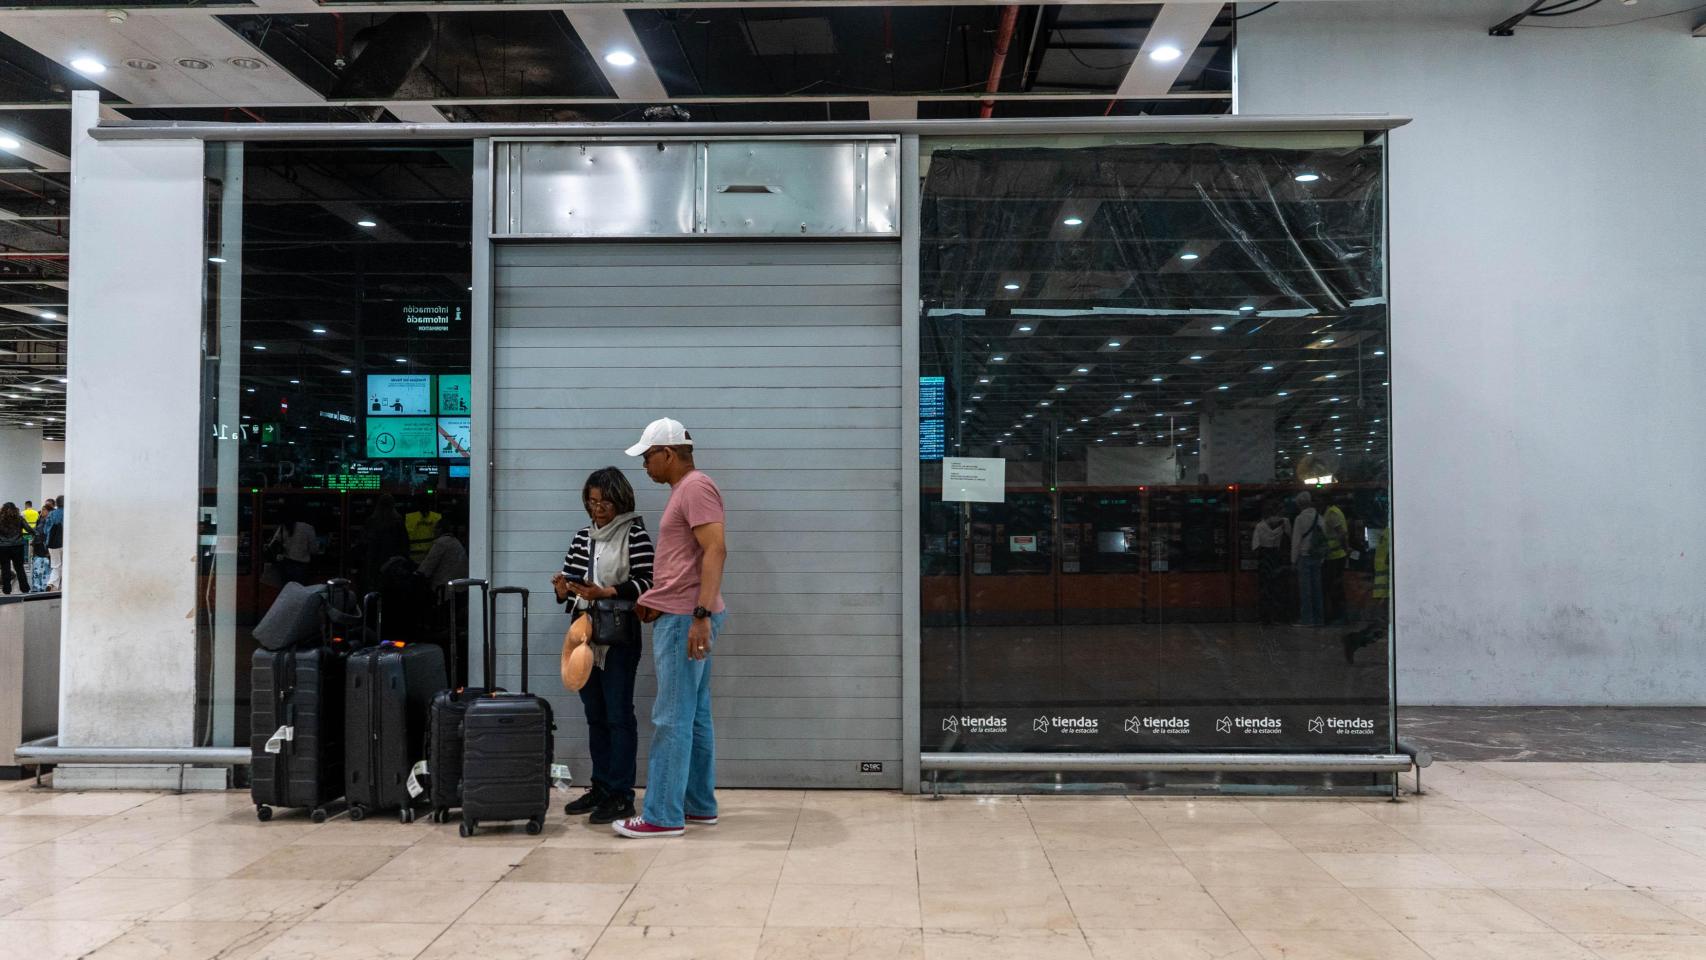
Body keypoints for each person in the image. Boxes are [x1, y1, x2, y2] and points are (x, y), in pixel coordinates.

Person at [614, 418, 727, 839]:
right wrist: (656, 598)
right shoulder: (686, 490)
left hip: (686, 620)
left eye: (647, 457)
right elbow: (685, 562)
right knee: (693, 717)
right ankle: (698, 805)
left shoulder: (695, 488)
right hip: (682, 613)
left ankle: (662, 815)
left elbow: (716, 550)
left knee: (672, 718)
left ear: (668, 453)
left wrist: (700, 615)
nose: (645, 465)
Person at [554, 467, 654, 825]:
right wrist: (564, 590)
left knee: (618, 715)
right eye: (592, 502)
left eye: (605, 503)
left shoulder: (635, 535)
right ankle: (600, 785)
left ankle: (621, 794)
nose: (597, 509)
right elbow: (571, 585)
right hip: (584, 635)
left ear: (621, 502)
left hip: (618, 638)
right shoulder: (583, 537)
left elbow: (648, 582)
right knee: (594, 714)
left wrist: (606, 592)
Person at [1251, 504, 1291, 626]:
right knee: (1277, 586)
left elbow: (1255, 546)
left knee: (1264, 587)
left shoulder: (1259, 526)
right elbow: (1290, 534)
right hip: (1276, 557)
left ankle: (1265, 617)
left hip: (1264, 557)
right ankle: (1277, 615)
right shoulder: (1283, 524)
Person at [362, 494, 410, 592]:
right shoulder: (398, 521)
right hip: (394, 563)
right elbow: (405, 543)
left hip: (375, 562)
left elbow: (366, 542)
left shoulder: (372, 521)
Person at [1291, 491, 1324, 627]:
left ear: (1299, 504)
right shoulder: (1319, 517)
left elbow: (1296, 541)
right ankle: (1319, 619)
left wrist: (1293, 560)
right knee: (1317, 589)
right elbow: (1323, 537)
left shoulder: (1300, 519)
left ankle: (1307, 620)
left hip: (1304, 557)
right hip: (1317, 557)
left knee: (1305, 590)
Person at [265, 508, 319, 586]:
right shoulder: (308, 528)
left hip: (285, 564)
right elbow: (313, 550)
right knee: (300, 590)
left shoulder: (283, 527)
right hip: (301, 566)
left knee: (286, 589)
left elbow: (272, 544)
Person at [1321, 492, 1351, 626]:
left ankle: (1339, 616)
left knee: (1335, 587)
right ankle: (1338, 615)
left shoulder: (1331, 514)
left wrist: (1345, 548)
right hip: (1336, 555)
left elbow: (1341, 533)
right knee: (1336, 586)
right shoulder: (1335, 511)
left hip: (1335, 556)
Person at [0, 503, 34, 595]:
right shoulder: (19, 518)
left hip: (3, 547)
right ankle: (24, 588)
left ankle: (7, 590)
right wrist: (36, 534)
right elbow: (29, 529)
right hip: (18, 546)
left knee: (5, 568)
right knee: (19, 568)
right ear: (15, 509)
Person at [29, 499, 53, 592]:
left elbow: (48, 535)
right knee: (37, 566)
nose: (42, 511)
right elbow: (36, 532)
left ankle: (44, 586)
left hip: (45, 546)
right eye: (42, 509)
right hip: (38, 545)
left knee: (45, 566)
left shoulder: (50, 521)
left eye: (44, 510)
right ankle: (36, 586)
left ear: (49, 511)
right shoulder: (39, 520)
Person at [40, 497, 63, 591]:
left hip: (52, 544)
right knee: (64, 565)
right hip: (64, 543)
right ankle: (59, 585)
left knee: (56, 565)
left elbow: (45, 531)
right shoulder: (67, 513)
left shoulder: (51, 515)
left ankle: (52, 584)